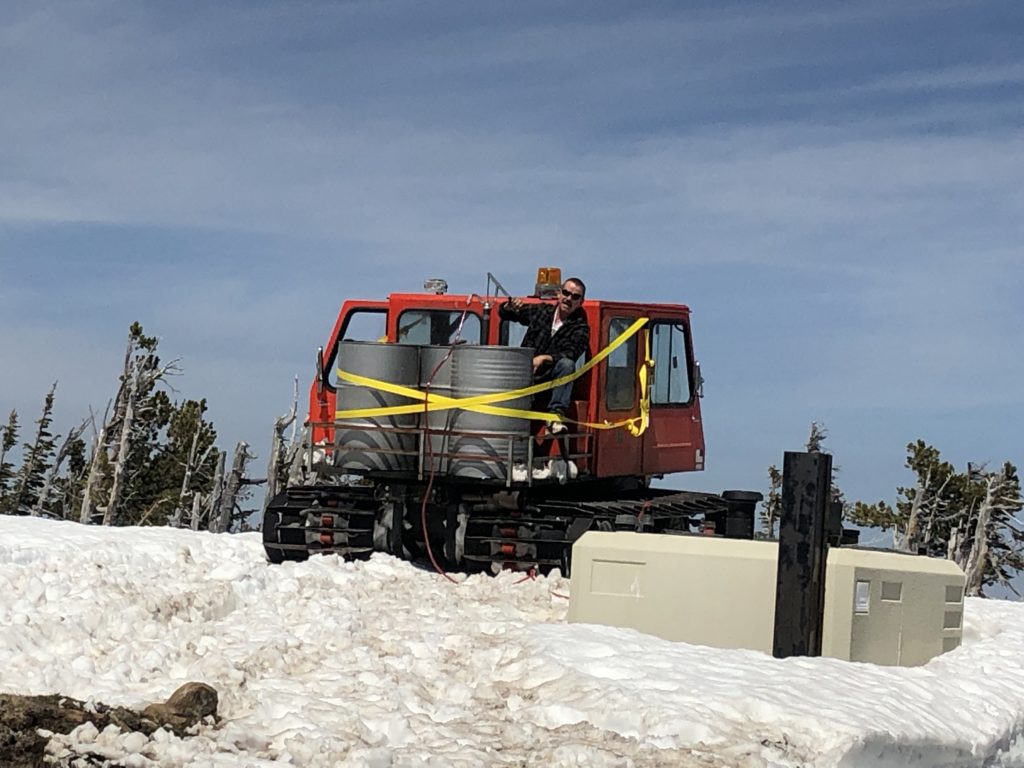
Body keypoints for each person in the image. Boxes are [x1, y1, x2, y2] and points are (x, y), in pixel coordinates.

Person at [499, 277, 590, 433]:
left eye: (575, 297)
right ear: (559, 293)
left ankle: (554, 416)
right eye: (566, 293)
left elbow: (571, 353)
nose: (568, 299)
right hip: (527, 378)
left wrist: (544, 358)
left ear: (581, 301)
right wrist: (510, 306)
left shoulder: (581, 328)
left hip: (551, 384)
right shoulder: (542, 312)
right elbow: (507, 314)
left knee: (567, 365)